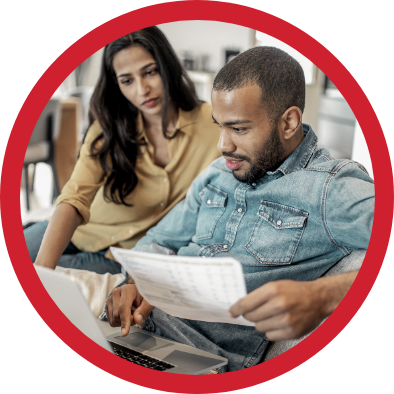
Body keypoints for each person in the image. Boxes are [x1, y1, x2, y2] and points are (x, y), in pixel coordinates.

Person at [104, 46, 374, 372]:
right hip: (137, 329)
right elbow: (158, 240)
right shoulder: (218, 173)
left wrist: (323, 296)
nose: (223, 145)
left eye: (239, 129)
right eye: (219, 126)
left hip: (199, 358)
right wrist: (135, 282)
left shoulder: (331, 189)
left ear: (288, 122)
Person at [25, 26, 220, 274]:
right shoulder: (108, 128)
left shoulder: (214, 124)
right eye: (127, 80)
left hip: (124, 255)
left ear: (168, 66)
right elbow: (74, 198)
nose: (142, 90)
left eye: (150, 72)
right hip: (78, 230)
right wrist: (44, 271)